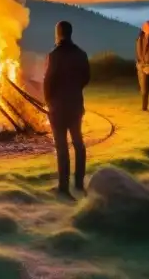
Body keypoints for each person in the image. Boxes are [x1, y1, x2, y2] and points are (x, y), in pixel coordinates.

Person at [43, 20, 91, 198]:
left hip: (58, 108)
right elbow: (86, 78)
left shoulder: (54, 55)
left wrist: (49, 102)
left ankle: (64, 188)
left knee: (62, 147)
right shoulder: (81, 54)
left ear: (58, 33)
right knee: (78, 143)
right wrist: (75, 89)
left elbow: (48, 82)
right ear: (70, 33)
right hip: (76, 104)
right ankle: (79, 183)